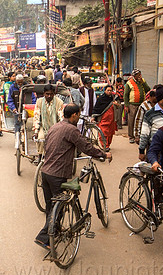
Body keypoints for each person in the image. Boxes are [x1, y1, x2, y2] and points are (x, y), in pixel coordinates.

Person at [34, 104, 112, 249]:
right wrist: (103, 154)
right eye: (78, 115)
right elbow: (86, 147)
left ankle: (53, 232)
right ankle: (44, 238)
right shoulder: (71, 129)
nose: (78, 118)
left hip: (45, 172)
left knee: (51, 207)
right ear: (74, 115)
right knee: (59, 207)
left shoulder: (55, 127)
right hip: (57, 174)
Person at [33, 84, 64, 160]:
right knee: (41, 139)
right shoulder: (39, 101)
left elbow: (61, 117)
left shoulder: (59, 102)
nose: (49, 96)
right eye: (47, 94)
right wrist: (36, 131)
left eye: (51, 94)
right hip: (43, 126)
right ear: (44, 93)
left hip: (56, 127)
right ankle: (40, 157)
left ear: (54, 94)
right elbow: (36, 116)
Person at [124, 69, 151, 143]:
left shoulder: (142, 81)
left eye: (140, 74)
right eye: (138, 75)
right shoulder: (129, 83)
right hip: (132, 105)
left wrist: (143, 82)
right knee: (131, 120)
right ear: (134, 76)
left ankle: (138, 135)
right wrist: (126, 105)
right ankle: (131, 136)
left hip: (142, 104)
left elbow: (148, 90)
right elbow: (126, 95)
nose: (139, 76)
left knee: (141, 120)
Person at [92, 85, 118, 151]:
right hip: (103, 119)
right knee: (103, 133)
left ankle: (108, 145)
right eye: (108, 90)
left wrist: (116, 105)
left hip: (111, 120)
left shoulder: (113, 98)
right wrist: (94, 117)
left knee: (110, 133)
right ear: (105, 91)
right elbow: (97, 108)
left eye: (110, 90)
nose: (109, 92)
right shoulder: (101, 99)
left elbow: (118, 107)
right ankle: (104, 146)